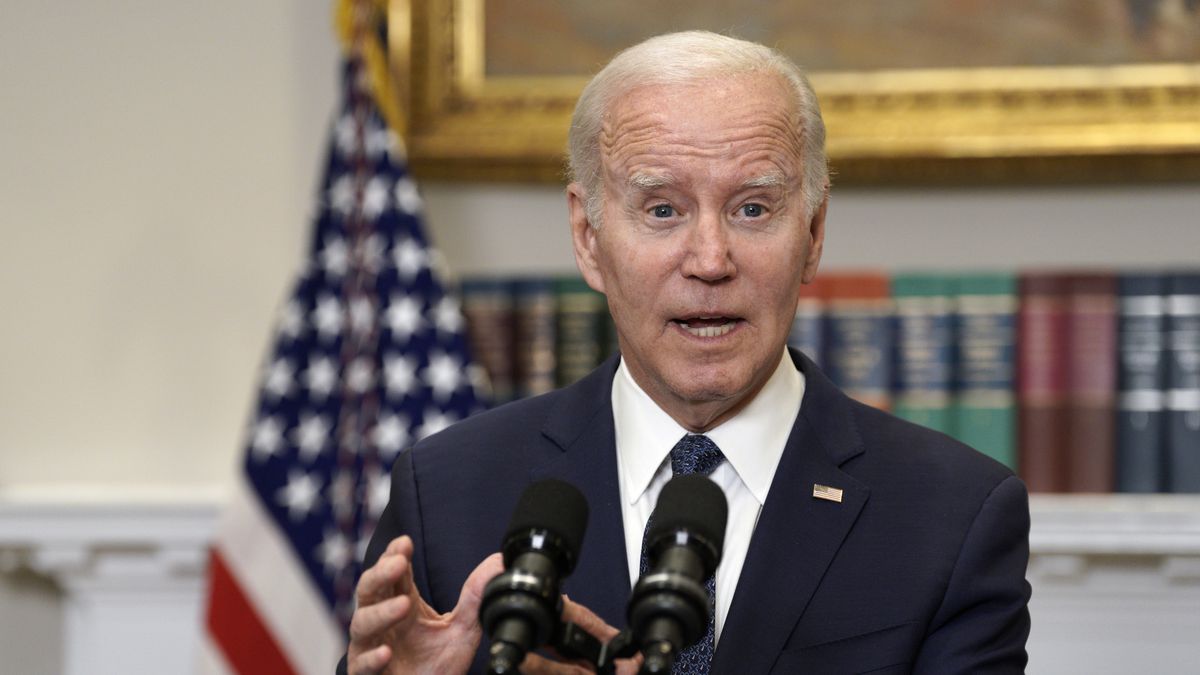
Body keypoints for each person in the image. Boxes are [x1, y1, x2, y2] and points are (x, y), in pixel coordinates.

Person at [341, 31, 1031, 675]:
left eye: (753, 208)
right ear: (588, 236)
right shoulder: (449, 492)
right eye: (663, 209)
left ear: (814, 232)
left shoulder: (954, 514)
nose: (709, 260)